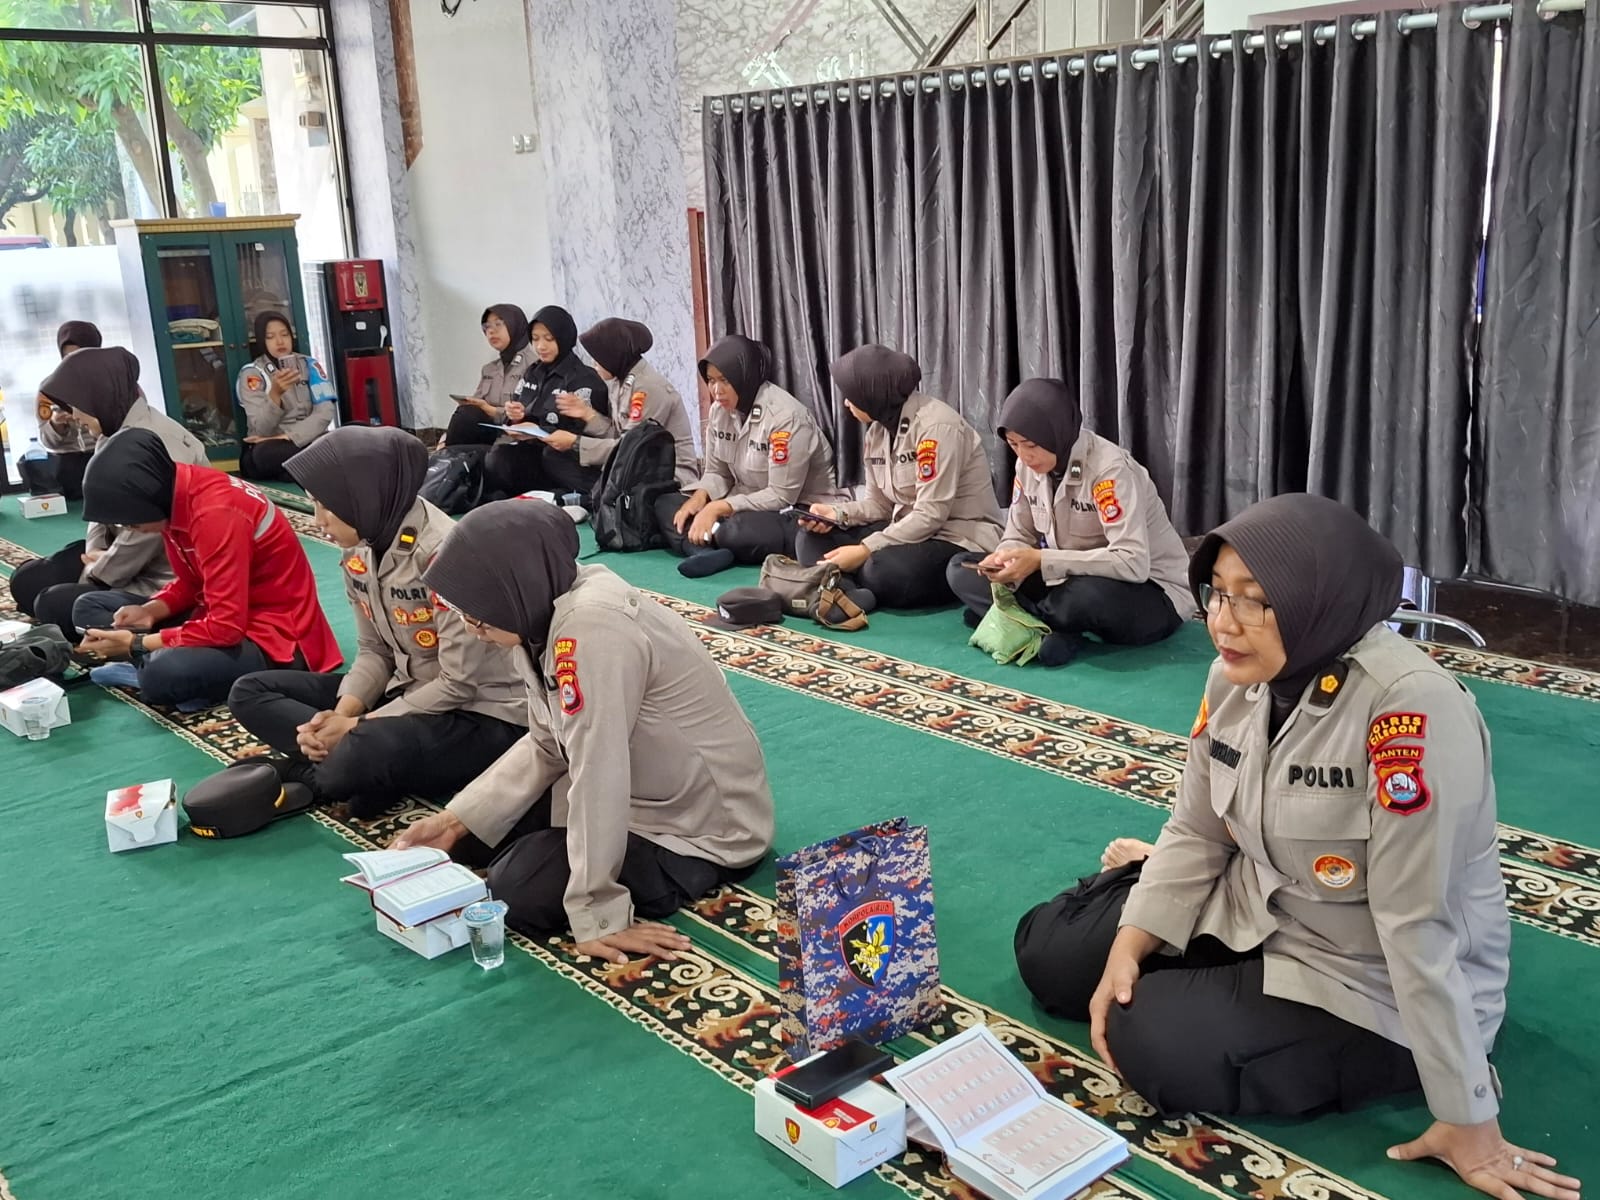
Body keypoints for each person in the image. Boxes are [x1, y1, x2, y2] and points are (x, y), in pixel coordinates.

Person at [1012, 495, 1582, 1200]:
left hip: (1367, 974)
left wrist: (1469, 1113)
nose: (1224, 622)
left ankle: (1392, 1060)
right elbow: (1196, 830)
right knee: (1054, 953)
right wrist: (1132, 943)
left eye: (1256, 601)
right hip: (1261, 903)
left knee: (1150, 1038)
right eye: (1218, 593)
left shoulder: (1409, 712)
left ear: (1320, 599)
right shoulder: (1234, 678)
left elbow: (1416, 925)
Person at [390, 501, 775, 962]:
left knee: (519, 887)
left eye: (478, 612)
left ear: (514, 584)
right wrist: (455, 821)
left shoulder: (591, 628)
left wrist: (597, 914)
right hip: (641, 789)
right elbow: (547, 744)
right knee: (474, 837)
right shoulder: (539, 607)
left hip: (696, 824)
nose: (472, 628)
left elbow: (600, 770)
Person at [228, 426, 526, 818]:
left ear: (364, 496)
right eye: (314, 505)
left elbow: (457, 684)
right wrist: (344, 714)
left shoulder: (445, 554)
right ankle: (348, 767)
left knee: (361, 754)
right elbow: (373, 650)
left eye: (328, 507)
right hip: (403, 690)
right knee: (249, 691)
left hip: (476, 713)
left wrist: (356, 728)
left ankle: (328, 773)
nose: (318, 522)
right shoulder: (364, 540)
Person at [75, 428, 340, 709]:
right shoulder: (173, 490)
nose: (130, 528)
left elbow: (226, 628)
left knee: (163, 673)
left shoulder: (216, 514)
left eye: (130, 521)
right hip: (217, 613)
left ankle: (152, 670)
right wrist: (151, 611)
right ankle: (162, 668)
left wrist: (137, 644)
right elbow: (193, 582)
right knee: (88, 607)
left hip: (275, 638)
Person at [946, 379, 1193, 667]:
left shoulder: (1110, 470)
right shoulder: (1026, 467)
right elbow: (1019, 533)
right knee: (960, 568)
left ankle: (1016, 619)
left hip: (1146, 591)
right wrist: (1004, 560)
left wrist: (1042, 560)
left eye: (1031, 445)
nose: (1024, 455)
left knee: (1083, 598)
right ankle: (1052, 628)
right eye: (1014, 445)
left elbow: (1132, 562)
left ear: (1058, 432)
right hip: (1065, 578)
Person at [12, 348, 208, 638]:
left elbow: (145, 532)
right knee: (26, 580)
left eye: (77, 406)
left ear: (98, 395)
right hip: (119, 554)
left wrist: (96, 574)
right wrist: (94, 551)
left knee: (52, 603)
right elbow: (101, 506)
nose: (74, 416)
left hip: (161, 576)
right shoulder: (113, 429)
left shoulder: (157, 442)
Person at [795, 345, 1002, 609]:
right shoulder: (877, 432)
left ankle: (840, 586)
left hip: (954, 537)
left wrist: (865, 549)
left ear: (873, 392)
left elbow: (930, 515)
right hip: (904, 530)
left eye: (851, 395)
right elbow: (879, 505)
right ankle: (847, 592)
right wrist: (836, 514)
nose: (846, 403)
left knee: (883, 571)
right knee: (810, 538)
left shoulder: (937, 428)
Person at [652, 334, 839, 578]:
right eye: (711, 380)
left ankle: (708, 540)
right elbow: (717, 472)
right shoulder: (719, 412)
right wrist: (701, 496)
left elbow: (781, 495)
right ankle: (702, 550)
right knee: (664, 504)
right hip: (742, 501)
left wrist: (719, 507)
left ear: (745, 375)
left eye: (724, 380)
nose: (716, 390)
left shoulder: (785, 418)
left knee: (737, 531)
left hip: (793, 511)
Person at [481, 304, 608, 500]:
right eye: (535, 339)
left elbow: (586, 436)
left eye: (549, 339)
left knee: (552, 457)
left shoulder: (584, 379)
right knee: (497, 458)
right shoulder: (533, 372)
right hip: (534, 450)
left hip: (567, 456)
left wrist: (542, 431)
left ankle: (578, 496)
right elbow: (517, 410)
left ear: (564, 337)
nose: (541, 346)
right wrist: (515, 416)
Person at [568, 317, 699, 487]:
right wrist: (588, 415)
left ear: (613, 355)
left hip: (670, 476)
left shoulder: (648, 388)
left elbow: (630, 449)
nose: (594, 365)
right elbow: (621, 435)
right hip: (640, 469)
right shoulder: (619, 381)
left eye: (598, 359)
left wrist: (576, 443)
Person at [234, 310, 335, 480]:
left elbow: (325, 412)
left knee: (354, 433)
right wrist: (275, 394)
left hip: (307, 439)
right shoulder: (253, 374)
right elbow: (261, 429)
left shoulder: (310, 365)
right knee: (263, 455)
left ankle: (296, 471)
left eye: (284, 334)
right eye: (270, 337)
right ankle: (317, 466)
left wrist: (289, 436)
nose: (280, 341)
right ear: (262, 341)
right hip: (272, 446)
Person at [437, 304, 538, 449]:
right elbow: (472, 409)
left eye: (498, 324)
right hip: (489, 435)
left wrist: (491, 410)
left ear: (515, 325)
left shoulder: (535, 366)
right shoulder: (489, 369)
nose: (491, 331)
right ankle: (446, 454)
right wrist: (445, 438)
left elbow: (532, 413)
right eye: (487, 326)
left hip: (517, 439)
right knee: (466, 412)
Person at [32, 319, 104, 498]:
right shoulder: (49, 388)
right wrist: (56, 425)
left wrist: (94, 420)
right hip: (68, 470)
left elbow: (132, 429)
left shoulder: (116, 381)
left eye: (81, 355)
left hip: (107, 459)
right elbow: (47, 441)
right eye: (68, 357)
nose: (74, 362)